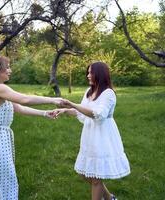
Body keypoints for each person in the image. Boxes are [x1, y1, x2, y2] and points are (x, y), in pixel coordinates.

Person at [0, 54, 61, 199]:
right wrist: (53, 100)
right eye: (7, 67)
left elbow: (19, 108)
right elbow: (25, 99)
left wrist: (44, 113)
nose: (10, 70)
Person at [56, 62, 130, 200]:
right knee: (85, 173)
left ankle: (107, 198)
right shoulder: (89, 91)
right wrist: (66, 110)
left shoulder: (108, 93)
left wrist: (72, 104)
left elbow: (98, 114)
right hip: (90, 136)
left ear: (100, 74)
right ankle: (109, 197)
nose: (88, 75)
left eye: (91, 72)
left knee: (96, 178)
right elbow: (82, 112)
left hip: (103, 136)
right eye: (88, 72)